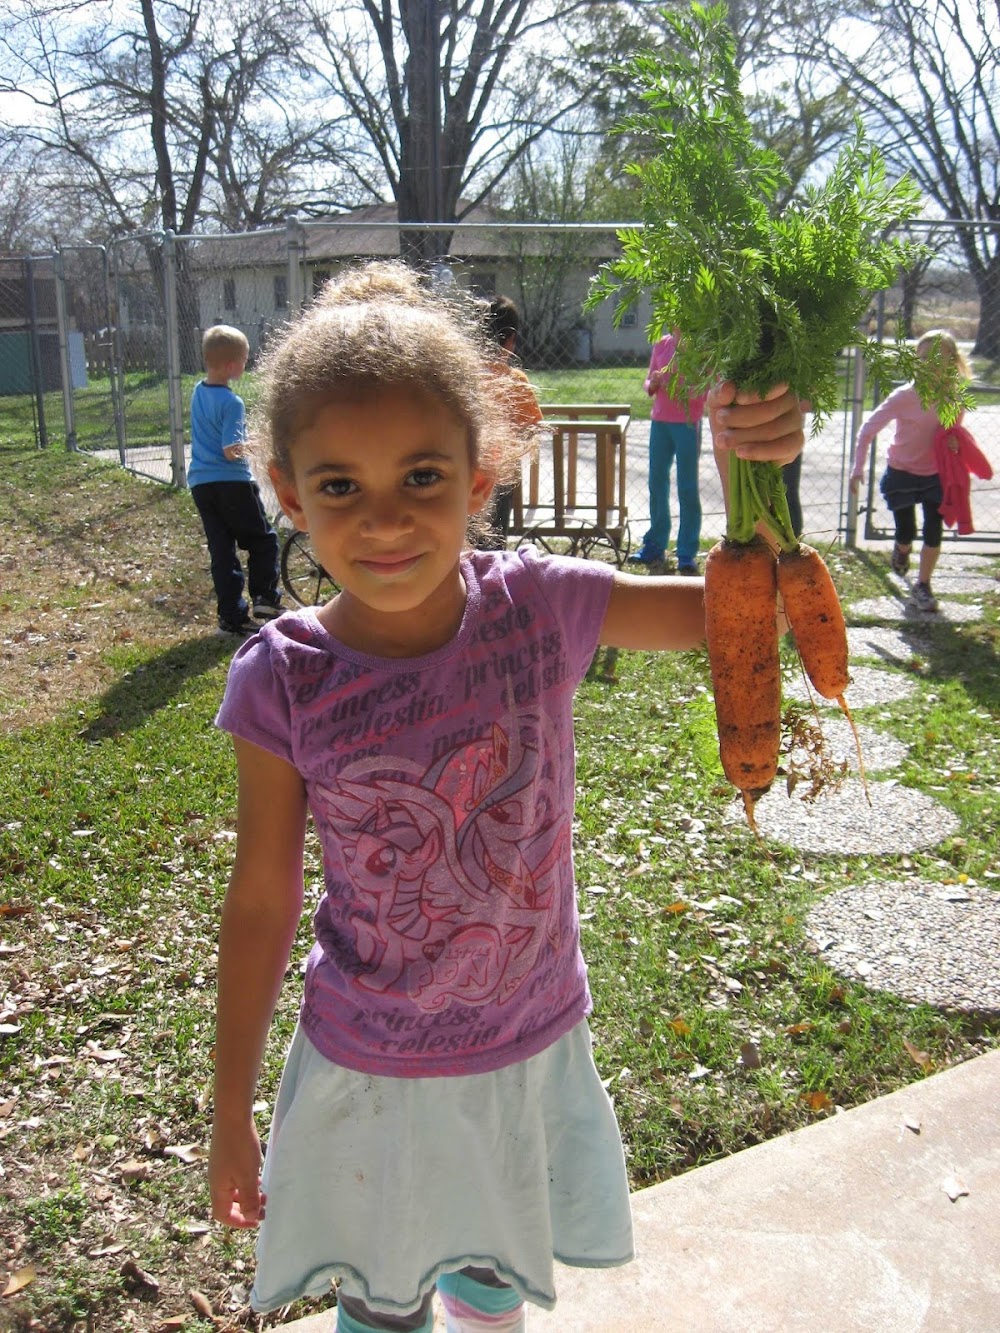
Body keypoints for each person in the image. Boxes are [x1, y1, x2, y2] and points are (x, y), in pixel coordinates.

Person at [207, 261, 805, 1333]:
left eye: (423, 477)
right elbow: (259, 900)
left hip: (525, 1045)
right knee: (383, 1308)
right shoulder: (282, 674)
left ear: (481, 477)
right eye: (339, 485)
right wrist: (229, 1108)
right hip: (370, 1063)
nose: (384, 521)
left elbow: (746, 617)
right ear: (289, 494)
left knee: (490, 1290)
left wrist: (754, 468)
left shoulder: (538, 607)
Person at [849, 329, 971, 613]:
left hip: (934, 474)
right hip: (901, 471)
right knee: (907, 531)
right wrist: (858, 467)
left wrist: (954, 441)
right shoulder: (904, 396)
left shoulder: (955, 399)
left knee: (933, 529)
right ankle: (902, 550)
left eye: (936, 358)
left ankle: (923, 584)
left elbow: (951, 435)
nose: (929, 364)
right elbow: (868, 429)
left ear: (951, 361)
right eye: (923, 358)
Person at [188, 324, 282, 636]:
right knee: (262, 540)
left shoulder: (198, 392)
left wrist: (244, 438)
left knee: (222, 550)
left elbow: (216, 437)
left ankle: (231, 616)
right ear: (230, 365)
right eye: (244, 359)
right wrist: (261, 443)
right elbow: (231, 451)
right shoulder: (232, 402)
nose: (246, 364)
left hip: (202, 484)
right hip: (232, 483)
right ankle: (265, 597)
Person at [629, 330, 708, 574]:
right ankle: (655, 543)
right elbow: (648, 380)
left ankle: (686, 550)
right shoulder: (662, 345)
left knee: (687, 487)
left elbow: (707, 389)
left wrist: (679, 385)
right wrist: (652, 383)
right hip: (660, 422)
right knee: (657, 482)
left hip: (687, 423)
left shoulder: (701, 348)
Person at [477, 294, 543, 548]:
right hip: (500, 473)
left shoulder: (460, 378)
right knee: (494, 534)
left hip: (461, 470)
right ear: (511, 340)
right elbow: (530, 427)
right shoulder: (514, 381)